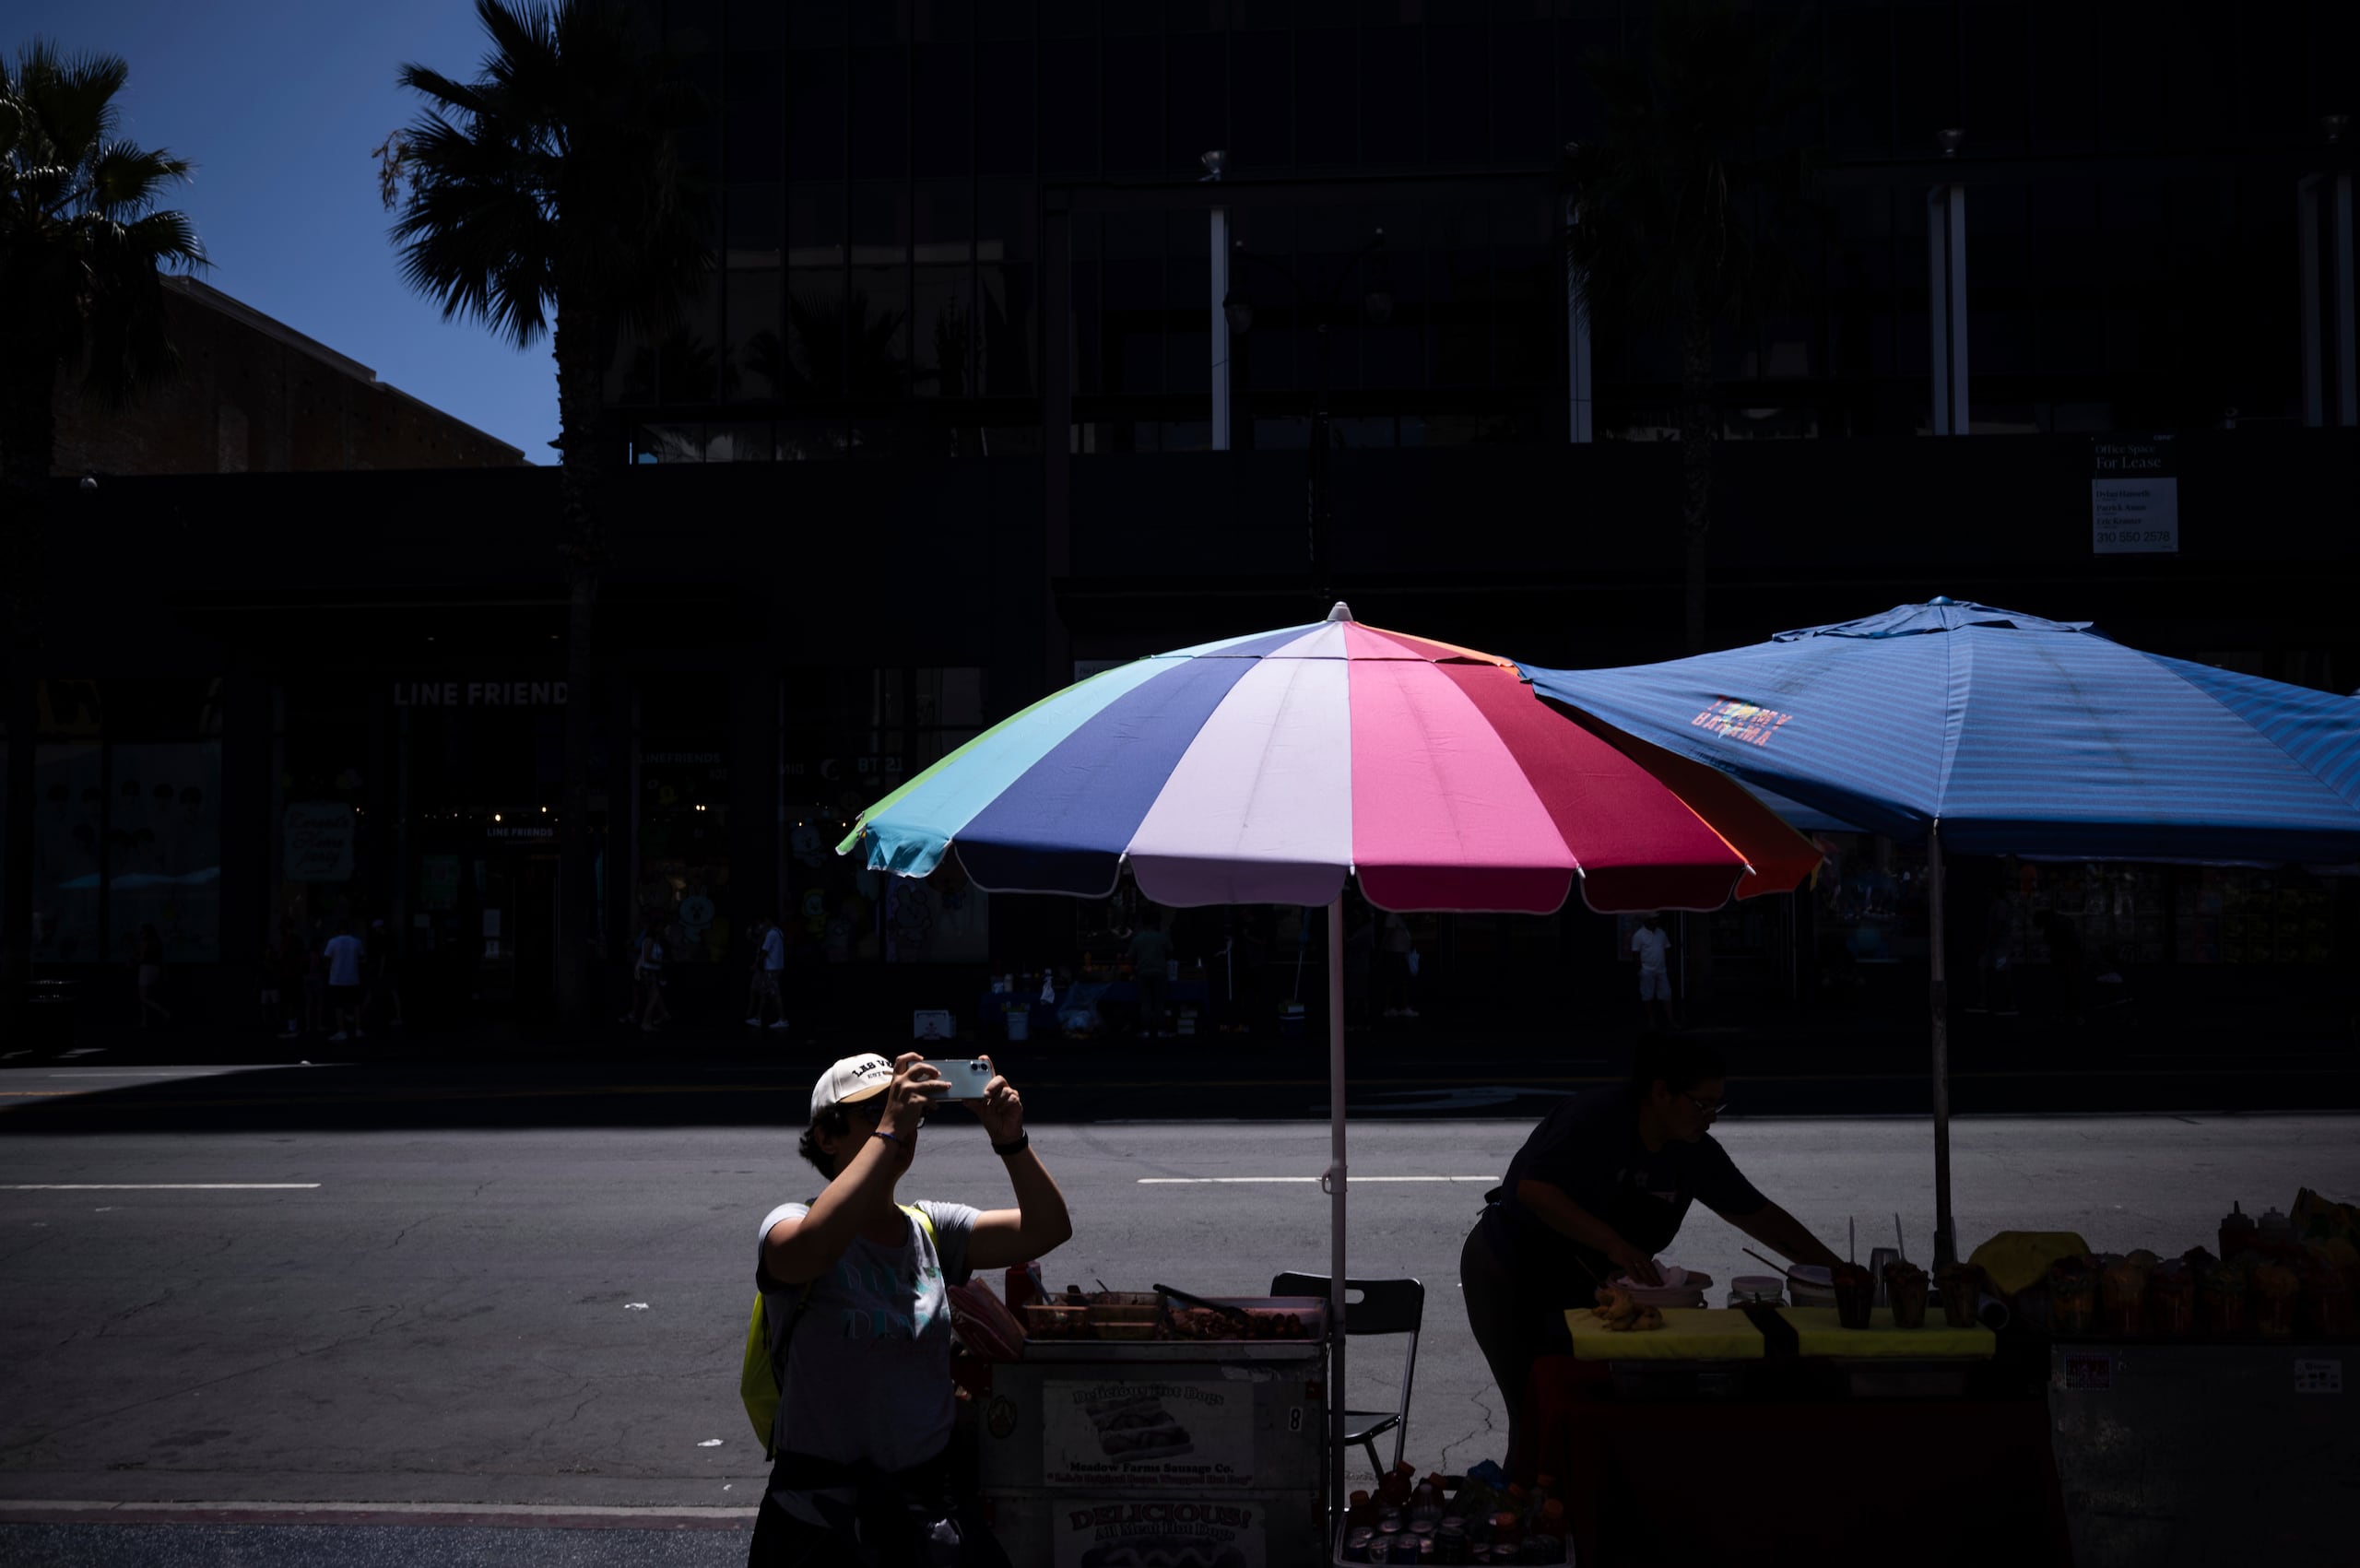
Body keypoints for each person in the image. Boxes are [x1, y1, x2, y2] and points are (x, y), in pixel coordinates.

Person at [1458, 1034, 1842, 1477]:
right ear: (1661, 1093)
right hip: (1511, 1270)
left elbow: (1760, 1217)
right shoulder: (1595, 1119)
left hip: (1594, 1286)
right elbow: (1535, 1190)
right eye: (1703, 1104)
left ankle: (1585, 1501)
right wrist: (1614, 1244)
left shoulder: (1694, 1153)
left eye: (1718, 1104)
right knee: (1539, 1412)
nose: (1712, 1117)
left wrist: (1838, 1271)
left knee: (1597, 1407)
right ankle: (1525, 1509)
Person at [751, 1052, 1071, 1566]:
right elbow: (808, 1251)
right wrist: (891, 1130)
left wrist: (1010, 1140)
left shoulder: (930, 1227)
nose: (899, 1123)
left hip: (923, 1516)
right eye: (873, 1112)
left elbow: (1047, 1227)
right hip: (818, 1525)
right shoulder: (790, 1221)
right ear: (828, 1137)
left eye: (903, 1109)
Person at [1126, 914, 1174, 1038]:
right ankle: (1161, 1030)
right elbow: (1171, 952)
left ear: (1143, 924)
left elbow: (1130, 956)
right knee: (1159, 1003)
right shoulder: (1162, 937)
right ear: (1156, 923)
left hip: (1143, 973)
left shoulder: (1138, 938)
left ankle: (1146, 1030)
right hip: (1160, 972)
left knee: (1145, 1003)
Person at [1631, 912, 1679, 1032]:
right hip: (1647, 969)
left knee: (1667, 994)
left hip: (1661, 969)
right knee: (1647, 995)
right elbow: (1635, 953)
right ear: (1646, 920)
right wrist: (1641, 969)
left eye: (1656, 919)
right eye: (1653, 919)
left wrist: (1669, 965)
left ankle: (1670, 1020)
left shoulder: (1661, 933)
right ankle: (1651, 1020)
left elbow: (1667, 948)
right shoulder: (1639, 935)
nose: (1655, 921)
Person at [324, 921, 367, 1042]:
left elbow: (327, 958)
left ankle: (341, 1030)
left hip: (337, 979)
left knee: (339, 1006)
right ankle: (358, 1029)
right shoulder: (357, 942)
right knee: (356, 1004)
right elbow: (362, 957)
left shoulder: (332, 942)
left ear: (338, 931)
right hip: (353, 978)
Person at [747, 914, 789, 1032]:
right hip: (776, 967)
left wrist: (756, 965)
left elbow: (764, 951)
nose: (764, 923)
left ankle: (783, 1019)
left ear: (769, 920)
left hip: (771, 968)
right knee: (765, 993)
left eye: (765, 921)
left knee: (775, 994)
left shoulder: (771, 934)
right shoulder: (779, 932)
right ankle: (758, 1018)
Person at [364, 917, 406, 1031]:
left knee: (373, 990)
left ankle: (363, 1013)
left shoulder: (383, 939)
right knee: (393, 992)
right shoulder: (391, 938)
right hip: (391, 969)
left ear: (379, 928)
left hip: (386, 970)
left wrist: (380, 971)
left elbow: (383, 956)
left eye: (376, 929)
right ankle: (397, 1015)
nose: (375, 931)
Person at [633, 914, 670, 1033]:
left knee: (656, 997)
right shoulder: (649, 940)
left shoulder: (656, 941)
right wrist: (662, 962)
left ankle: (664, 1015)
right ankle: (646, 1023)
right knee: (654, 997)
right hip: (648, 973)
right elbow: (647, 957)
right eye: (662, 927)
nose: (664, 929)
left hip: (653, 972)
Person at [1380, 911, 1417, 1019]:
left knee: (1399, 980)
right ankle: (1395, 1007)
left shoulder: (1399, 917)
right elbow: (1387, 933)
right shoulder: (1392, 915)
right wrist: (1382, 949)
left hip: (1400, 953)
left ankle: (1395, 1006)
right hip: (1396, 953)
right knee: (1398, 980)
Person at [134, 925, 171, 1030]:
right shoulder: (157, 943)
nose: (140, 934)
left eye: (142, 932)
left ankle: (164, 1012)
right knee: (148, 996)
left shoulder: (144, 943)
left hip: (146, 970)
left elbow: (142, 958)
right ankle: (144, 1021)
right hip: (156, 969)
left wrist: (133, 960)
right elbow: (161, 959)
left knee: (144, 997)